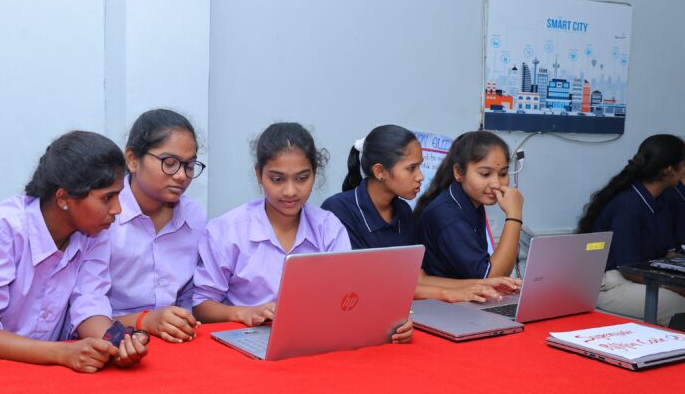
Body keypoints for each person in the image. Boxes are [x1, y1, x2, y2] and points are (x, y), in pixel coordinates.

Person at [0, 131, 147, 372]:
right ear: (64, 197)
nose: (117, 209)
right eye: (107, 197)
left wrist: (115, 343)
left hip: (33, 369)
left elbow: (89, 304)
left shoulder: (94, 234)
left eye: (119, 196)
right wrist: (63, 353)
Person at [192, 123, 412, 343]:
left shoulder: (328, 228)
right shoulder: (227, 231)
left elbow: (349, 296)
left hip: (314, 339)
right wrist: (242, 313)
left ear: (314, 175)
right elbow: (201, 306)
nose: (290, 191)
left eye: (302, 178)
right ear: (259, 175)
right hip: (244, 340)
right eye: (277, 179)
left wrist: (389, 320)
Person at [322, 125, 519, 303]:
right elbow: (365, 285)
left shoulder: (402, 211)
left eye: (420, 166)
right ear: (380, 171)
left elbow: (418, 278)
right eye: (411, 169)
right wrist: (446, 294)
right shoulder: (339, 210)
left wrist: (474, 287)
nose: (420, 176)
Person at [108, 109, 206, 343]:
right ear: (132, 160)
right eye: (170, 163)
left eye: (190, 165)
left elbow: (191, 296)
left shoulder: (194, 218)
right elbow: (82, 312)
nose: (182, 176)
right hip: (111, 339)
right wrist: (146, 321)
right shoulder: (105, 217)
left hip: (174, 340)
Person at [577, 134, 685, 325]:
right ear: (669, 170)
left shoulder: (660, 198)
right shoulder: (629, 206)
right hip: (611, 283)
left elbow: (667, 254)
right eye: (683, 165)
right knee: (680, 307)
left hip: (639, 276)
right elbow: (629, 268)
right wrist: (676, 287)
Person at [414, 131, 524, 280]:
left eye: (503, 174)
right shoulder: (447, 215)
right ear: (459, 172)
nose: (496, 184)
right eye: (485, 174)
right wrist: (514, 216)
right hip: (438, 302)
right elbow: (490, 277)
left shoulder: (471, 201)